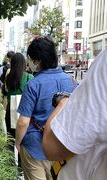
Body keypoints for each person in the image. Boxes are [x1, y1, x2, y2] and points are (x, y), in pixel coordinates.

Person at [15, 37, 77, 180]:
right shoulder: (73, 82)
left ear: (38, 60)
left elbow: (23, 122)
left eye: (31, 58)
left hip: (34, 148)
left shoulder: (33, 84)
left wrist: (18, 144)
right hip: (63, 149)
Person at [43, 48, 107, 180]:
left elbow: (52, 146)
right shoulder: (70, 80)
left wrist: (63, 103)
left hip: (45, 146)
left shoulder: (33, 84)